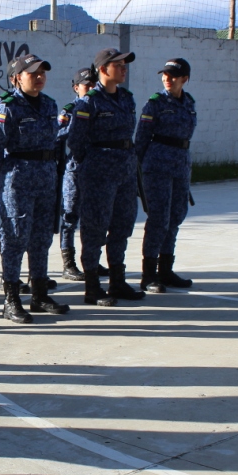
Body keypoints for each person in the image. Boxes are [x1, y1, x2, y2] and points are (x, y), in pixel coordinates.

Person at [0, 54, 70, 323]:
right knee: (15, 238)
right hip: (18, 180)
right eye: (32, 72)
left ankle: (40, 294)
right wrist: (8, 175)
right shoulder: (6, 106)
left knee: (42, 237)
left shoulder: (49, 104)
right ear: (16, 78)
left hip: (45, 178)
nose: (39, 76)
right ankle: (11, 300)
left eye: (42, 72)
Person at [66, 48, 146, 306]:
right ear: (103, 70)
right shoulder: (88, 103)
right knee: (94, 228)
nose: (124, 68)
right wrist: (90, 166)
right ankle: (92, 286)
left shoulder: (127, 98)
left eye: (125, 64)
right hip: (99, 172)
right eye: (118, 65)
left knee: (122, 225)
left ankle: (117, 281)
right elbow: (76, 142)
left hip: (125, 170)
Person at [135, 57, 197, 292]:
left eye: (173, 75)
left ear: (185, 79)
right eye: (165, 75)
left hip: (180, 165)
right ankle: (149, 275)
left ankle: (166, 269)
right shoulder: (155, 103)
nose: (167, 79)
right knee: (159, 218)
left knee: (176, 216)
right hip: (158, 166)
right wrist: (140, 169)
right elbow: (141, 139)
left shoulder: (189, 102)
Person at [58, 67, 108, 282]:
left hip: (97, 168)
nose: (89, 90)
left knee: (96, 216)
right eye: (85, 86)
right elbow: (57, 137)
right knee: (70, 216)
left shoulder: (101, 106)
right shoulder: (69, 110)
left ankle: (93, 260)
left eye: (93, 85)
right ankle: (68, 263)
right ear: (75, 87)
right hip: (76, 169)